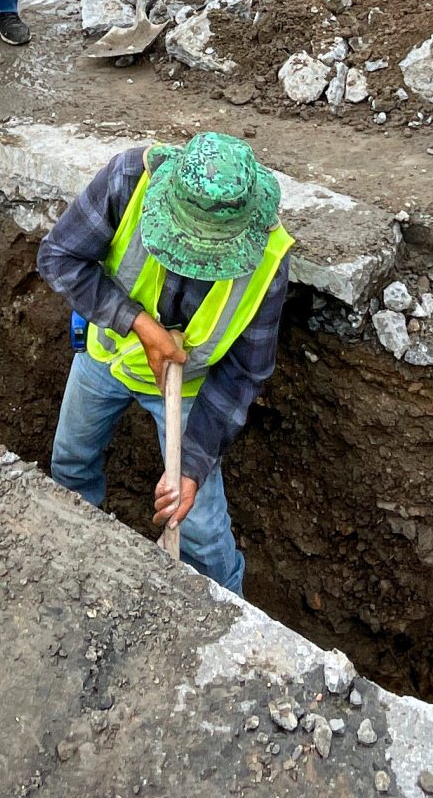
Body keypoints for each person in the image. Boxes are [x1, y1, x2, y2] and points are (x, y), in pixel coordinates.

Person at [37, 132, 291, 596]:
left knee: (203, 534)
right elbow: (59, 257)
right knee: (71, 465)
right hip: (109, 355)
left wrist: (192, 467)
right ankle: (73, 563)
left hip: (191, 389)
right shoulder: (128, 180)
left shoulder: (266, 258)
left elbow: (243, 374)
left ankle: (227, 618)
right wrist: (137, 324)